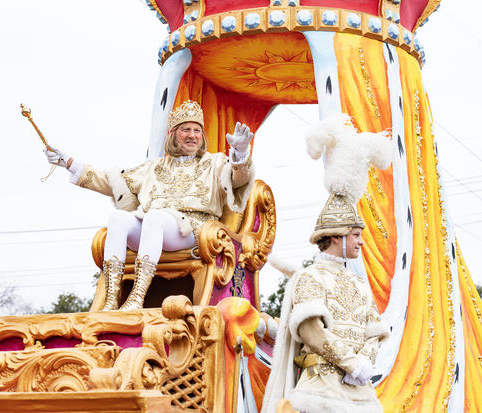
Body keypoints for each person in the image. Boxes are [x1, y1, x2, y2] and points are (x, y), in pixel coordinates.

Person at [45, 100, 255, 311]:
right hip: (154, 227)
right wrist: (70, 164)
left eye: (197, 130)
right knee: (118, 219)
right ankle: (111, 299)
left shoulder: (214, 162)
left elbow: (238, 179)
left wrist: (240, 153)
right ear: (174, 135)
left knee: (155, 218)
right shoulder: (154, 167)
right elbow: (112, 182)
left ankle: (137, 298)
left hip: (192, 229)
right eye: (186, 130)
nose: (192, 135)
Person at [261, 114, 392, 413]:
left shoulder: (359, 281)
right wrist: (350, 362)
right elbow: (310, 330)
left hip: (360, 391)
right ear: (335, 236)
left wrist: (363, 364)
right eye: (355, 235)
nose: (361, 242)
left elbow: (374, 330)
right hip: (320, 390)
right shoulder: (310, 276)